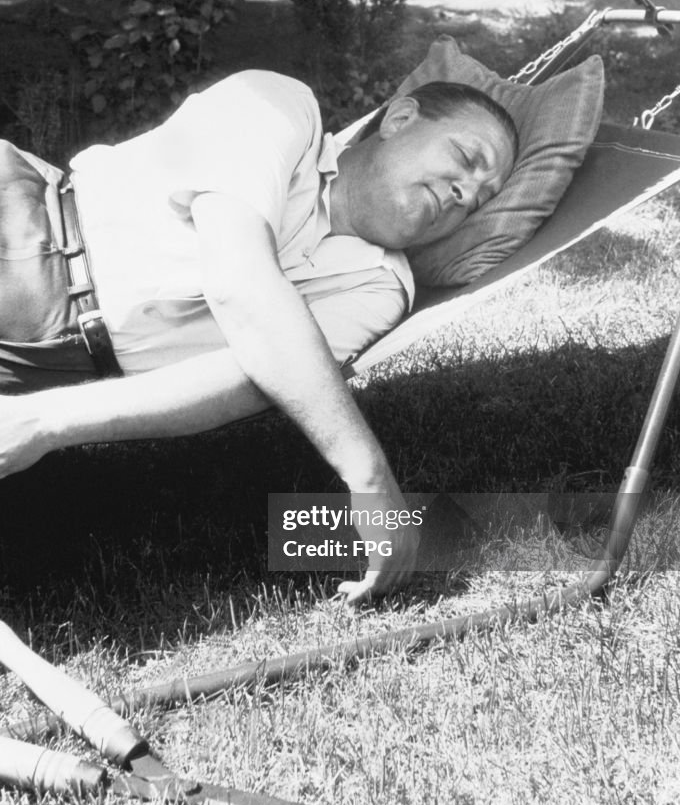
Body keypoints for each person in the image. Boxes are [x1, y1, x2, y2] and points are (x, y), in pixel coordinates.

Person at [0, 70, 517, 604]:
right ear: (401, 119)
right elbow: (238, 282)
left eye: (480, 199)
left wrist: (40, 422)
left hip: (53, 367)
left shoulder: (381, 286)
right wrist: (371, 480)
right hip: (24, 227)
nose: (465, 193)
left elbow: (253, 380)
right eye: (465, 158)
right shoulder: (278, 105)